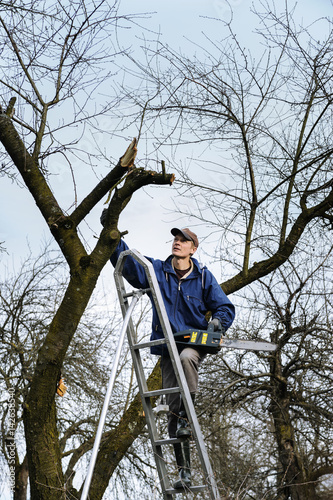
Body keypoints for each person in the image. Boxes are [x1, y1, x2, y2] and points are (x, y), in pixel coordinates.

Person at [102, 214, 235, 489]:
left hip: (191, 345)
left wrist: (217, 323)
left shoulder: (203, 278)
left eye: (183, 240)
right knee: (174, 411)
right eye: (175, 238)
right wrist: (112, 234)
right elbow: (129, 265)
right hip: (167, 347)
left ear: (192, 249)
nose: (178, 242)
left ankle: (188, 413)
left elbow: (225, 307)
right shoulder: (157, 271)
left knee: (186, 360)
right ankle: (184, 473)